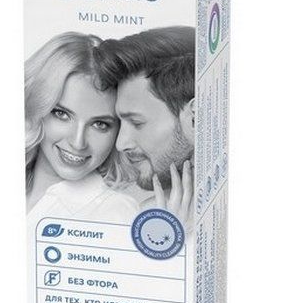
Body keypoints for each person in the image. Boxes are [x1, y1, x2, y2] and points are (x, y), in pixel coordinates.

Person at [25, 33, 138, 221]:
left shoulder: (116, 213)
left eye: (100, 124)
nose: (78, 143)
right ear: (36, 107)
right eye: (62, 114)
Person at [96, 26, 195, 223]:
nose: (120, 144)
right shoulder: (139, 213)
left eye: (137, 123)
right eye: (120, 122)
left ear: (195, 118)